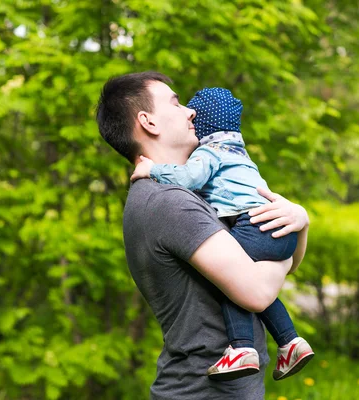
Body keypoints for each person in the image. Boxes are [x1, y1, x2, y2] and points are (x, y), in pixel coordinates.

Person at [96, 71, 310, 400]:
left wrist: (298, 224)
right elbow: (256, 291)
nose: (191, 111)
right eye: (176, 102)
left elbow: (268, 270)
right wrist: (288, 235)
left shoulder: (188, 194)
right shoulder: (170, 203)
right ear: (148, 122)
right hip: (203, 391)